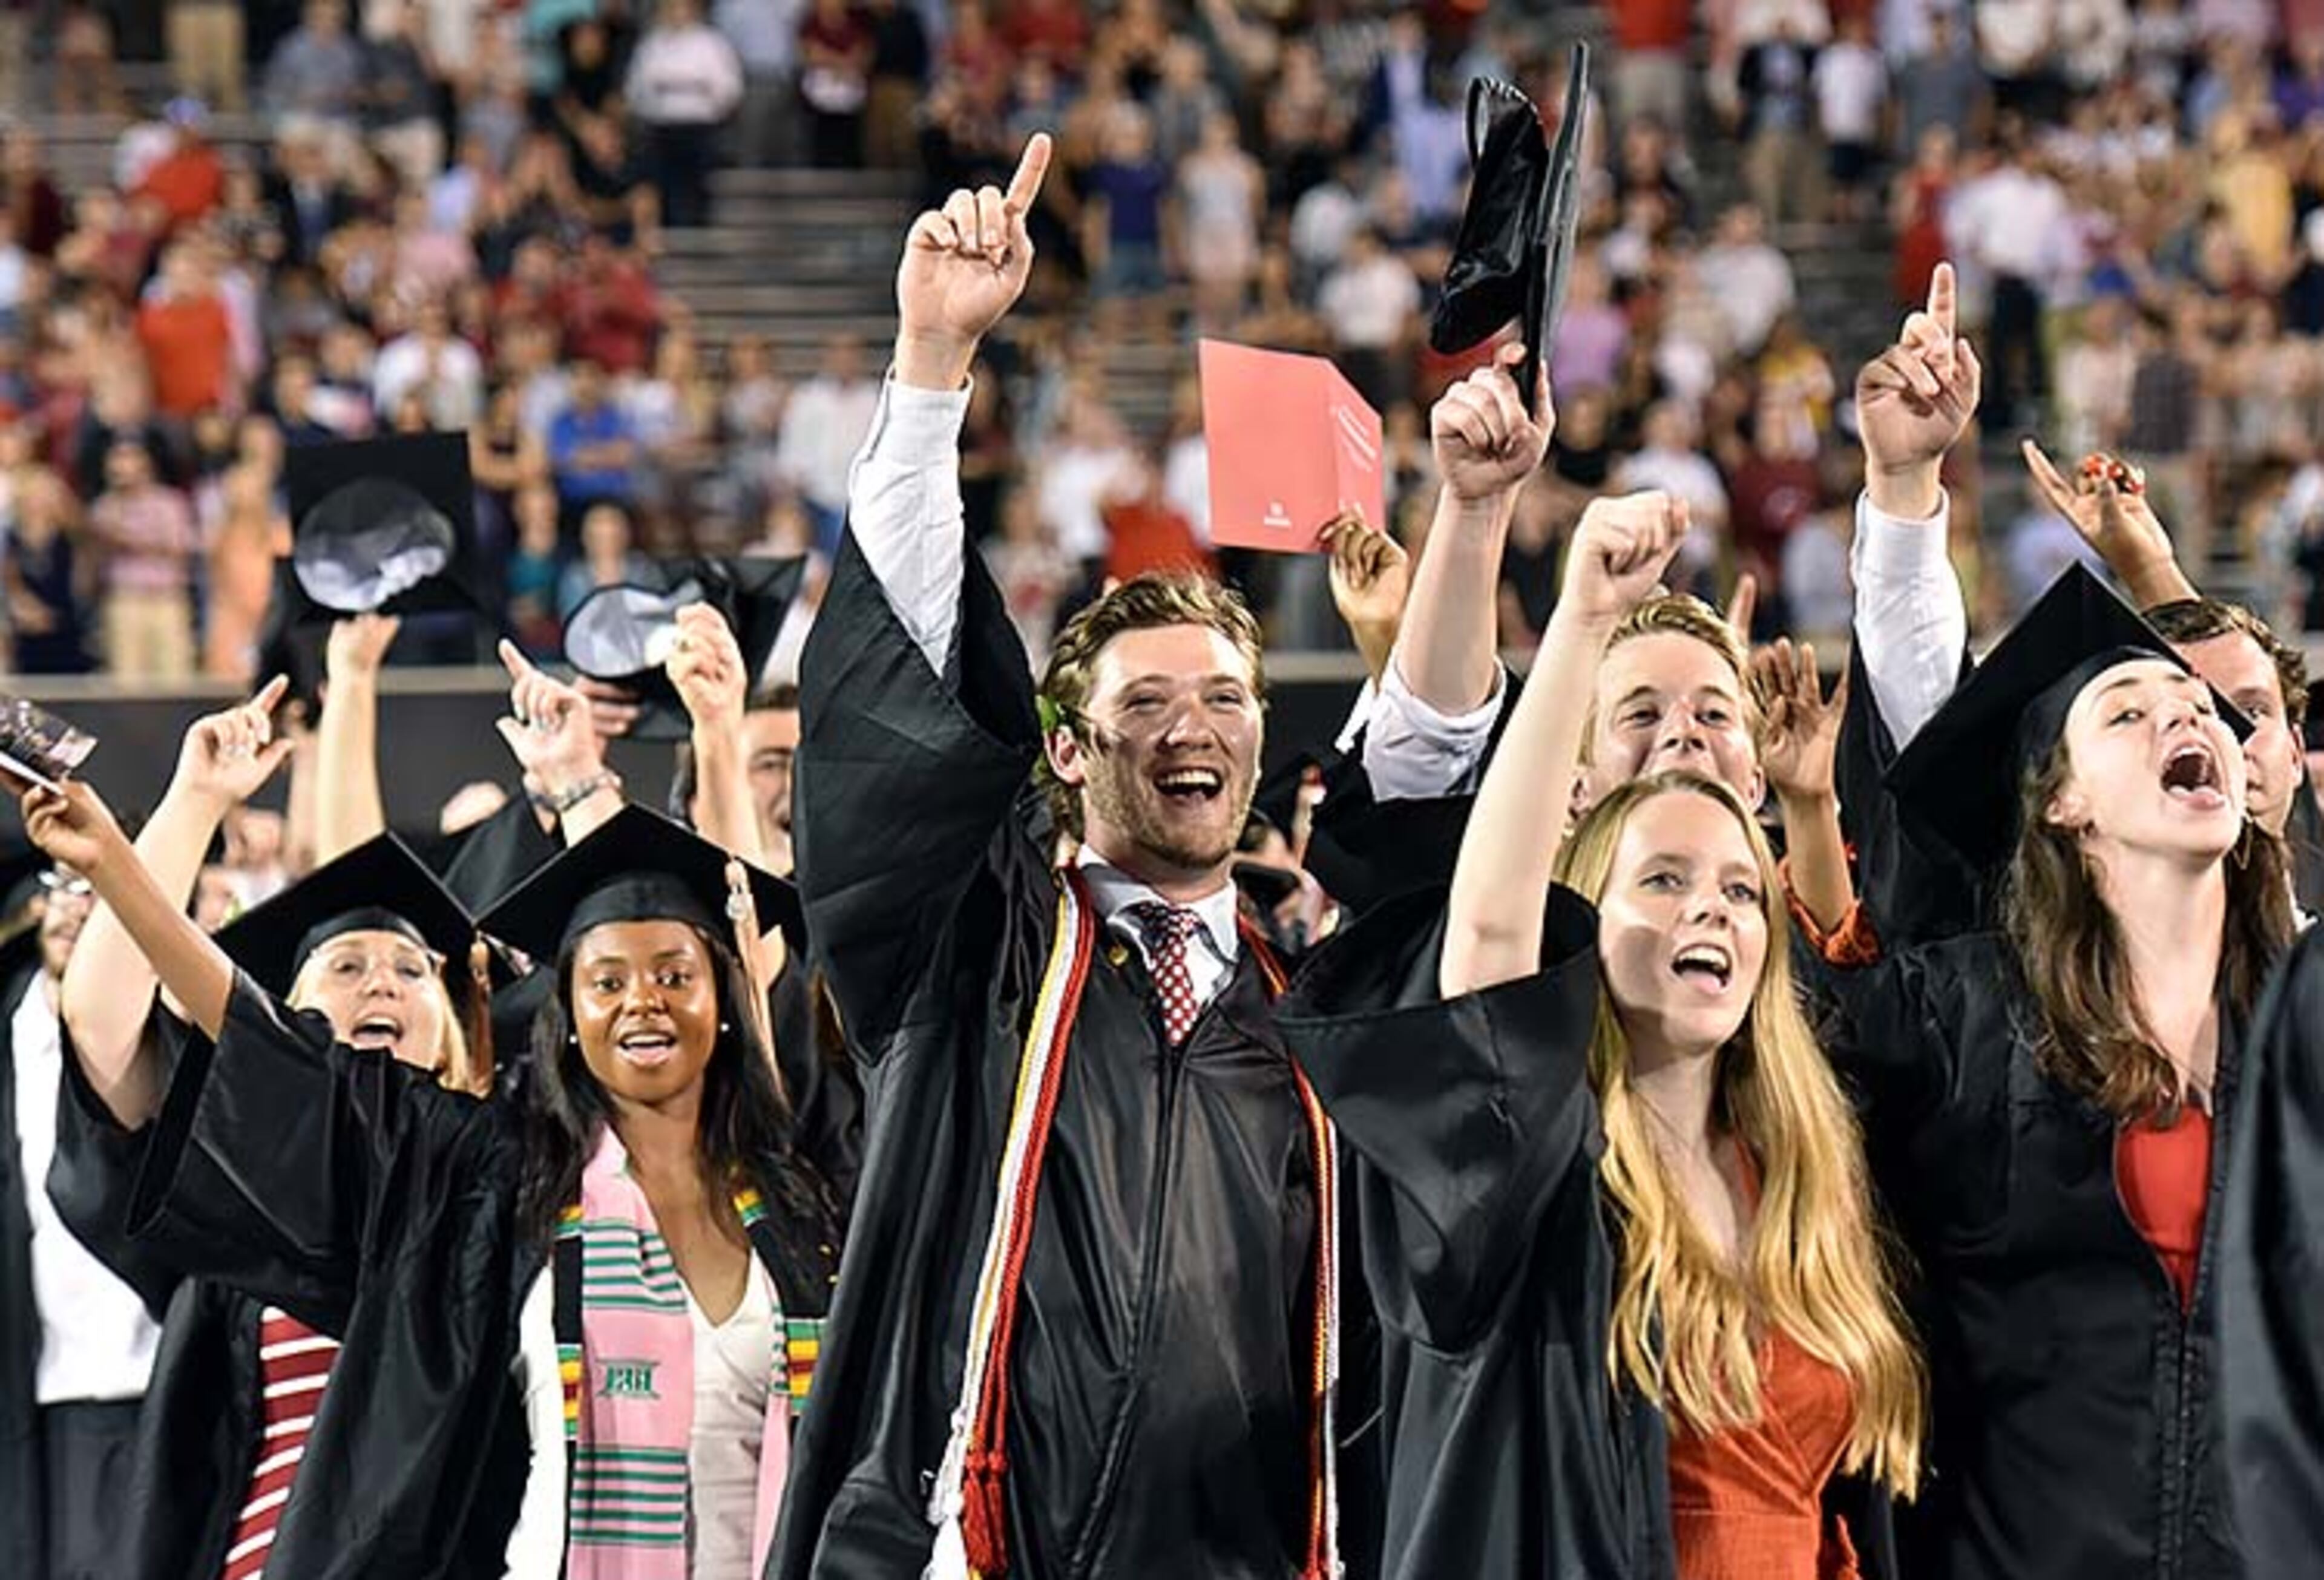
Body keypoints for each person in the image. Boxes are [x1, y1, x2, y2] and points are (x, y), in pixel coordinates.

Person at [775, 133, 1361, 1578]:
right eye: (1143, 701)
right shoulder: (971, 952)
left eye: (1224, 697)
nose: (1190, 727)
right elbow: (903, 688)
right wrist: (927, 367)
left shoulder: (1314, 1015)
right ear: (1061, 749)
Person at [25, 686, 841, 1576]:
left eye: (677, 973)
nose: (642, 998)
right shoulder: (484, 1181)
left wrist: (690, 746)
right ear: (564, 1013)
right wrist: (119, 863)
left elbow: (764, 986)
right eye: (605, 980)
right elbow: (249, 1046)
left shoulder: (798, 1205)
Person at [1276, 491, 1925, 1578]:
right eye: (1662, 882)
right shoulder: (1523, 1152)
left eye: (1734, 889)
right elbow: (1484, 927)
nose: (1710, 909)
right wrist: (1574, 617)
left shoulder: (1807, 1170)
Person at [1814, 564, 2294, 1577]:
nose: (2183, 720)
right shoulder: (1956, 1020)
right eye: (2129, 712)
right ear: (2065, 802)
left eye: (2197, 707)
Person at [0, 856, 161, 1580]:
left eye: (96, 891)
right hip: (51, 1397)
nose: (73, 908)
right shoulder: (8, 1039)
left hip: (169, 1384)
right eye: (60, 887)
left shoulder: (169, 1036)